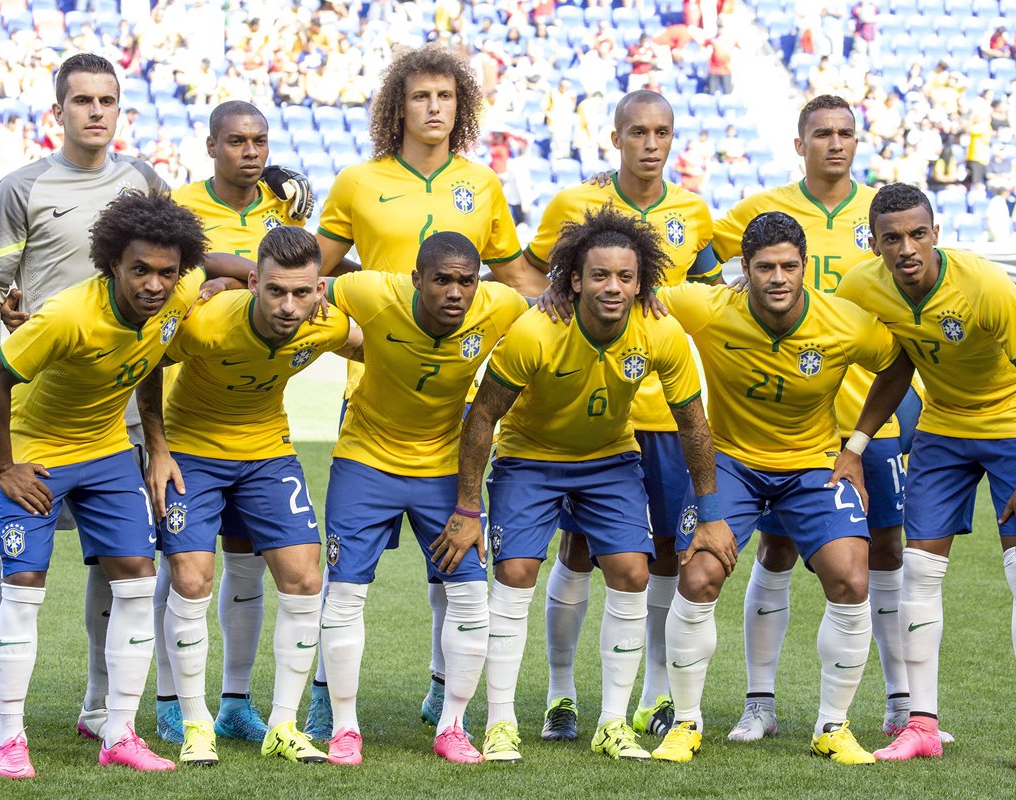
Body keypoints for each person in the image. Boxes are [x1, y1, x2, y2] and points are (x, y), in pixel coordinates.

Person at [306, 45, 548, 740]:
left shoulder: (483, 184)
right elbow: (311, 270)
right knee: (350, 571)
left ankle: (445, 693)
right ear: (398, 106)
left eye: (446, 95)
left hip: (455, 397)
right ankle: (326, 695)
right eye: (421, 97)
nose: (434, 107)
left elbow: (515, 281)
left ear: (461, 105)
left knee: (453, 558)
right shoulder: (357, 181)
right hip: (373, 387)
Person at [443, 207, 730, 764]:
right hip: (531, 458)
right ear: (574, 279)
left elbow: (694, 424)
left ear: (641, 282)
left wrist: (712, 511)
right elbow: (482, 418)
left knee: (632, 571)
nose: (612, 287)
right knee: (516, 572)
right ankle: (501, 722)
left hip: (608, 459)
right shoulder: (537, 330)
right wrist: (468, 505)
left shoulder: (660, 331)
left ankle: (613, 723)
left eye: (625, 277)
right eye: (599, 275)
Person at [0, 190, 230, 778]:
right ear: (113, 262)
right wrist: (5, 466)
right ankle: (10, 732)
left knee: (138, 582)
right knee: (25, 584)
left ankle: (118, 731)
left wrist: (258, 274)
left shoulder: (177, 293)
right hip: (38, 454)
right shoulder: (67, 316)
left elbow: (220, 267)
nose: (154, 284)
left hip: (109, 452)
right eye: (140, 269)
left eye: (168, 272)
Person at [0, 52, 168, 752]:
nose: (95, 112)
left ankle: (101, 704)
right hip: (36, 393)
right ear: (59, 111)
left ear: (120, 108)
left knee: (118, 561)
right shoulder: (24, 187)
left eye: (106, 100)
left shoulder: (142, 179)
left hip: (116, 405)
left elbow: (172, 265)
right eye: (81, 100)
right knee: (16, 559)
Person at [647, 211, 900, 766]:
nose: (778, 278)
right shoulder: (710, 309)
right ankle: (684, 725)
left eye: (789, 266)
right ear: (744, 270)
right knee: (698, 573)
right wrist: (557, 295)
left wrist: (855, 445)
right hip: (732, 465)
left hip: (813, 467)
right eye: (764, 267)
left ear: (805, 267)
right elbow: (637, 293)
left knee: (852, 579)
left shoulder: (845, 323)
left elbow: (897, 363)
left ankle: (833, 726)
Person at [710, 95, 926, 743]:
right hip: (785, 422)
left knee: (884, 552)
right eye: (822, 134)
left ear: (857, 142)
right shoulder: (762, 212)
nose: (835, 144)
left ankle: (898, 704)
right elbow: (698, 259)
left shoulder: (882, 213)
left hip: (870, 418)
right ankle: (759, 704)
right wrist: (724, 283)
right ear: (799, 142)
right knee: (774, 550)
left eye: (846, 134)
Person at [832, 183, 1016, 777]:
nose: (906, 248)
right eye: (892, 238)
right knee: (919, 572)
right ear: (876, 242)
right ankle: (922, 725)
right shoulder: (863, 285)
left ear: (935, 233)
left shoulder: (983, 285)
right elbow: (898, 364)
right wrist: (855, 445)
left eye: (917, 234)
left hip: (1013, 428)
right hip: (941, 429)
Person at [528, 90, 715, 743]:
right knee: (579, 547)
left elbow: (713, 292)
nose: (651, 143)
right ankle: (560, 695)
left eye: (662, 131)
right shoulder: (572, 205)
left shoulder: (694, 212)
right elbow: (529, 277)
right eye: (638, 131)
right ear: (616, 137)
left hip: (665, 414)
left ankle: (656, 696)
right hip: (593, 412)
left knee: (665, 552)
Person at [138, 226, 359, 767]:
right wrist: (158, 449)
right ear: (254, 282)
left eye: (302, 293)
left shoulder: (326, 323)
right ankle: (194, 724)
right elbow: (146, 366)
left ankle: (283, 723)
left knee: (307, 577)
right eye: (276, 291)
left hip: (266, 453)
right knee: (190, 578)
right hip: (191, 451)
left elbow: (376, 346)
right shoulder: (208, 320)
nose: (288, 306)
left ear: (319, 290)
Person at [318, 231, 530, 766]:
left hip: (443, 467)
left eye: (466, 281)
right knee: (344, 593)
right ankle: (344, 728)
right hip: (365, 460)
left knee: (467, 594)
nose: (456, 292)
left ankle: (452, 726)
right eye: (441, 280)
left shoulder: (499, 304)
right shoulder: (369, 292)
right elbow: (303, 288)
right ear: (416, 279)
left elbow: (545, 304)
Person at [150, 100, 315, 747]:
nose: (250, 152)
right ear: (212, 145)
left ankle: (237, 703)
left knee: (248, 564)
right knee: (183, 570)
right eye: (237, 141)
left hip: (260, 423)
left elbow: (304, 268)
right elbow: (168, 278)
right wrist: (221, 273)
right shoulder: (182, 205)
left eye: (260, 141)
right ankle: (172, 700)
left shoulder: (284, 206)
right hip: (191, 412)